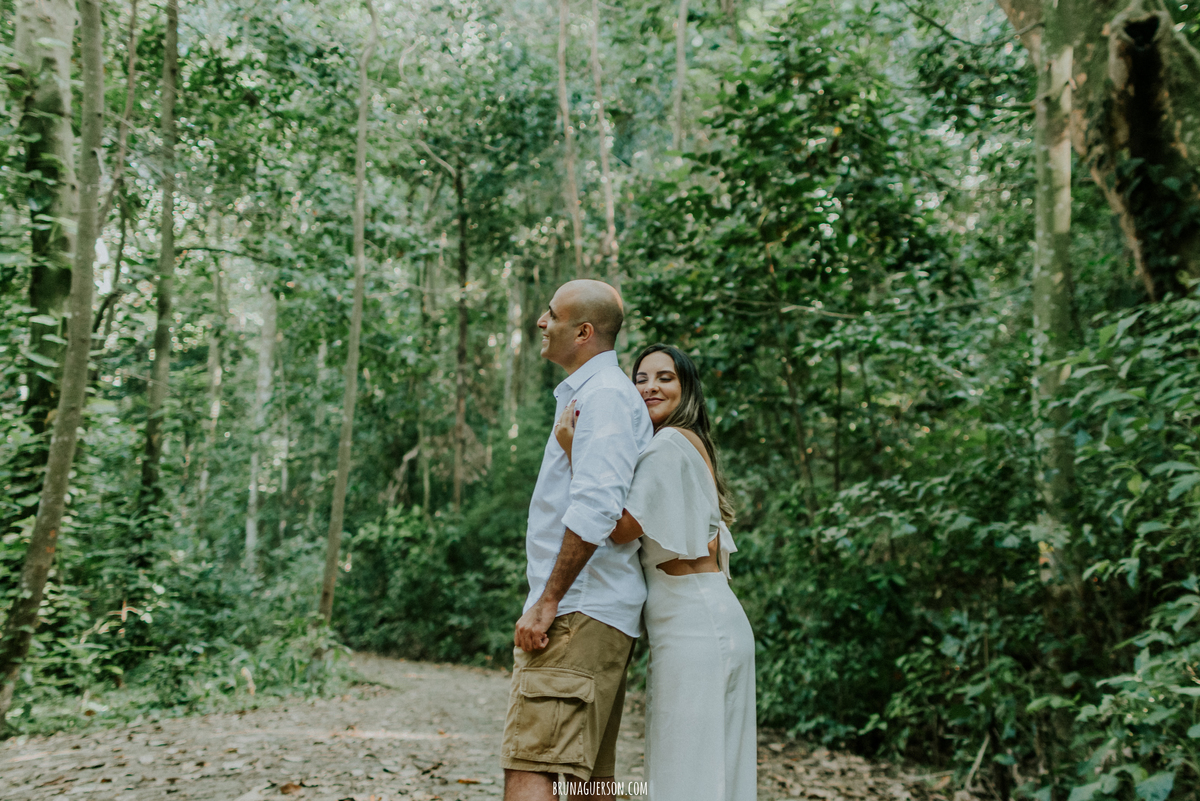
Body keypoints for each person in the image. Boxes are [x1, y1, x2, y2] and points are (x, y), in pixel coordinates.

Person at [555, 344, 757, 801]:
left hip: (695, 623)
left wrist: (576, 452)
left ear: (686, 389)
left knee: (686, 766)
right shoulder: (682, 443)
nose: (650, 387)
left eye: (664, 377)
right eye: (641, 378)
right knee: (709, 764)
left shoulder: (669, 444)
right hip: (700, 617)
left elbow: (622, 528)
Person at [501, 279, 654, 801]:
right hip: (592, 609)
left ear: (584, 331)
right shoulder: (594, 394)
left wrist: (548, 600)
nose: (541, 322)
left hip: (578, 612)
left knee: (532, 767)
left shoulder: (605, 397)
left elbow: (596, 506)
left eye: (552, 315)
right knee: (592, 783)